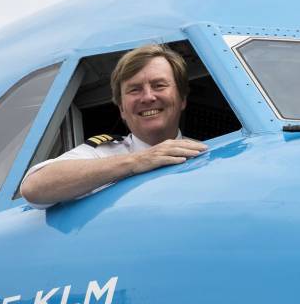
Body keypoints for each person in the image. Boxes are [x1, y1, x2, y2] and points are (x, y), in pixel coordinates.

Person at [20, 44, 208, 208]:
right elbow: (34, 186)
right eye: (134, 89)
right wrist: (138, 161)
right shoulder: (104, 154)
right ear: (122, 109)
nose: (148, 97)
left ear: (182, 99)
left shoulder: (207, 155)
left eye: (159, 85)